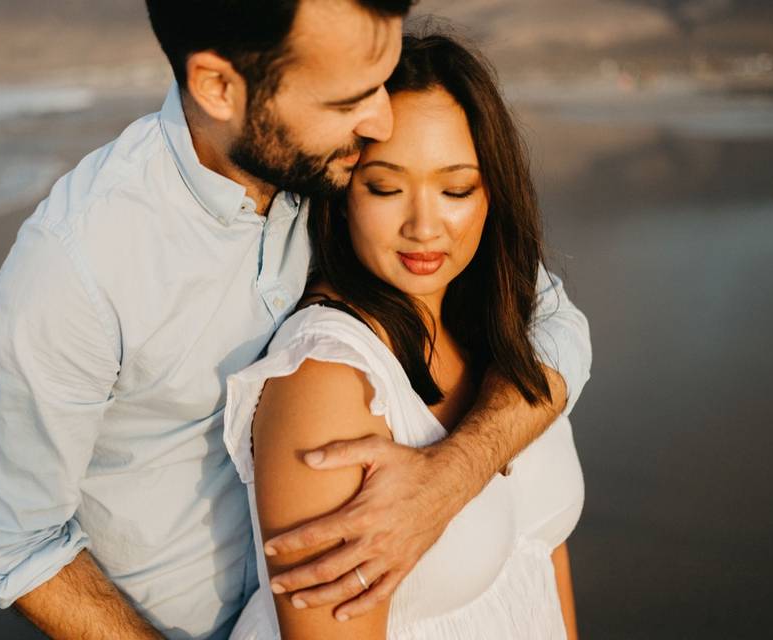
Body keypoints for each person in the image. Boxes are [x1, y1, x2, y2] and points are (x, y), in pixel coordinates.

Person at [0, 2, 590, 639]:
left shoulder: (331, 171)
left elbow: (556, 325)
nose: (378, 117)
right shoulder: (76, 271)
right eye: (346, 100)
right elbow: (17, 545)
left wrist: (451, 475)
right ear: (219, 87)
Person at [224, 32, 584, 639]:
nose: (424, 226)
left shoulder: (506, 328)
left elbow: (543, 560)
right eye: (386, 188)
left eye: (456, 189)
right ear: (341, 198)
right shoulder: (329, 381)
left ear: (494, 193)